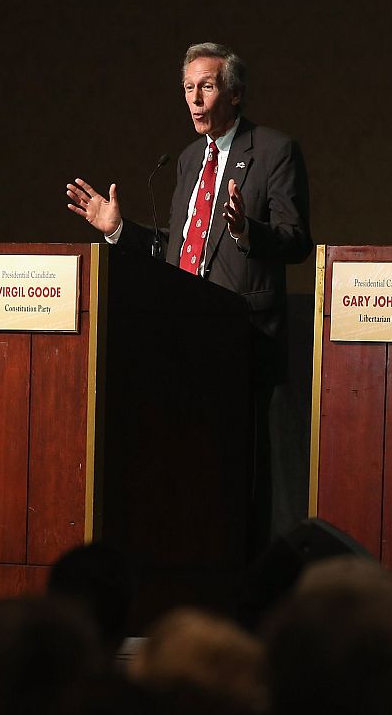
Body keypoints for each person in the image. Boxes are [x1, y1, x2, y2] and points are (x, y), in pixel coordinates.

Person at [65, 43, 311, 547]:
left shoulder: (273, 151)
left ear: (235, 93)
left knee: (237, 468)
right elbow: (177, 250)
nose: (195, 100)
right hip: (185, 334)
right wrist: (119, 231)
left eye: (207, 86)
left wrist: (247, 230)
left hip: (244, 336)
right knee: (188, 470)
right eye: (187, 88)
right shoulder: (186, 160)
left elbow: (296, 241)